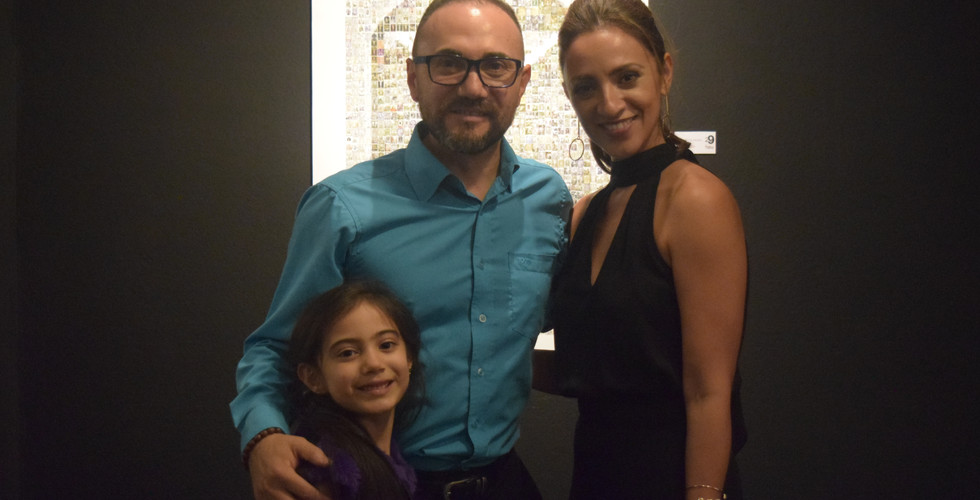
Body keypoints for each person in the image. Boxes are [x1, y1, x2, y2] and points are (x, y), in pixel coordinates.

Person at [230, 1, 572, 498]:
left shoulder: (547, 199)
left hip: (506, 482)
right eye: (449, 63)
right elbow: (278, 348)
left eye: (496, 66)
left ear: (522, 82)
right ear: (413, 79)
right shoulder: (342, 208)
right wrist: (262, 436)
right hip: (381, 483)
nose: (473, 87)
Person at [535, 0, 748, 498]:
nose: (609, 104)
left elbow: (708, 393)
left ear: (664, 73)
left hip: (674, 480)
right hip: (595, 477)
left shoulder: (695, 200)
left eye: (626, 77)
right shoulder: (586, 213)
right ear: (569, 95)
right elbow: (592, 371)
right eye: (586, 87)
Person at [286, 281, 423, 499]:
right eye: (348, 353)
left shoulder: (393, 456)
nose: (374, 364)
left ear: (409, 358)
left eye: (386, 345)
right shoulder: (327, 470)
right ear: (314, 377)